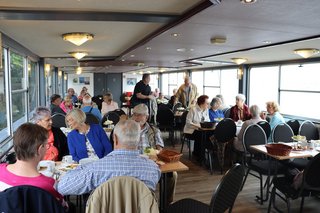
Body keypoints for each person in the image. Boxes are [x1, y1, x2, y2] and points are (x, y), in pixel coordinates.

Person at [56, 120, 161, 195]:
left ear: (115, 138)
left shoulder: (96, 169)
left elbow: (62, 188)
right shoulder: (153, 168)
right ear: (138, 140)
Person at [0, 123, 69, 210]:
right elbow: (63, 207)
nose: (48, 148)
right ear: (39, 149)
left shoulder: (0, 171)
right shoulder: (49, 185)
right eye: (46, 145)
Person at [131, 103, 176, 204]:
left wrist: (152, 154)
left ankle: (166, 203)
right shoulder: (128, 129)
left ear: (146, 117)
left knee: (172, 175)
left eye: (139, 115)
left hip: (150, 161)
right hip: (133, 162)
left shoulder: (154, 130)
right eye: (134, 114)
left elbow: (159, 148)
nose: (135, 117)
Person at [184, 95, 210, 161]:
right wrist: (197, 126)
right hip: (190, 130)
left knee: (208, 134)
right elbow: (188, 122)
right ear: (202, 103)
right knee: (201, 135)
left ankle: (200, 153)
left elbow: (208, 120)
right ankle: (200, 156)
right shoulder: (193, 109)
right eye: (207, 103)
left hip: (202, 130)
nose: (208, 104)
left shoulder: (206, 110)